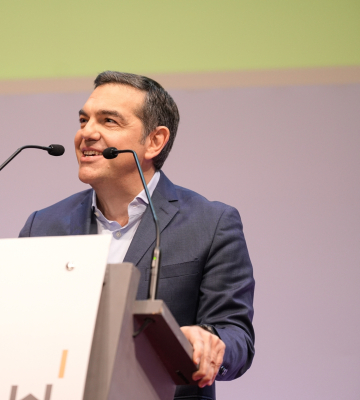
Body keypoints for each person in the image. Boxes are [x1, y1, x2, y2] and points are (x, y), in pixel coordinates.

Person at [19, 71, 254, 400]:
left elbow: (236, 334)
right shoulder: (43, 227)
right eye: (84, 120)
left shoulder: (211, 224)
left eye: (109, 121)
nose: (87, 133)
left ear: (154, 141)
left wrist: (210, 342)